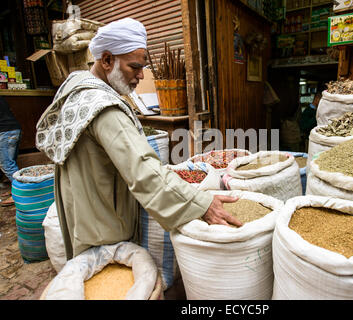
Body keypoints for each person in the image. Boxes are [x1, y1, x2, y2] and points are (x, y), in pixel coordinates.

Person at [35, 18, 242, 261]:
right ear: (107, 60)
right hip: (101, 226)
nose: (141, 76)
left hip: (82, 212)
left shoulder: (77, 85)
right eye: (134, 67)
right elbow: (143, 170)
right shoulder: (104, 108)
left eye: (143, 67)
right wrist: (201, 204)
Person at [0, 96, 21, 207]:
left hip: (4, 132)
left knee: (7, 164)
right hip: (14, 129)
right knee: (11, 162)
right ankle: (16, 189)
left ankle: (20, 192)